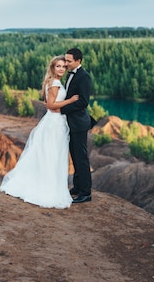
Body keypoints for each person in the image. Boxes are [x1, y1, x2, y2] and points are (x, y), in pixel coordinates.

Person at [0, 55, 79, 209]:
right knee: (51, 156)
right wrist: (70, 101)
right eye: (58, 66)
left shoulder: (54, 82)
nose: (61, 68)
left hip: (55, 122)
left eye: (63, 66)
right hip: (54, 124)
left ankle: (48, 186)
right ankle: (48, 190)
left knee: (50, 155)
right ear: (53, 68)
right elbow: (50, 105)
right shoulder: (54, 83)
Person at [60, 47, 93, 203]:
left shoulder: (83, 77)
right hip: (71, 123)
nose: (66, 63)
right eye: (65, 60)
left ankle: (86, 192)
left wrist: (63, 108)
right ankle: (78, 186)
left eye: (69, 61)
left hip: (79, 123)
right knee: (74, 155)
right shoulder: (70, 75)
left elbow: (83, 102)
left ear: (78, 61)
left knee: (81, 158)